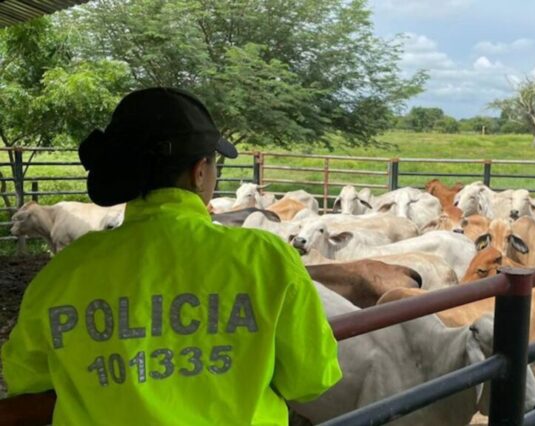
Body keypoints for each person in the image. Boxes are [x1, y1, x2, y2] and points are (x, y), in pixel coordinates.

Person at [0, 87, 342, 425]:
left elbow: (26, 379)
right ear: (199, 172)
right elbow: (311, 378)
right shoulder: (266, 258)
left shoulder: (64, 271)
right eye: (215, 165)